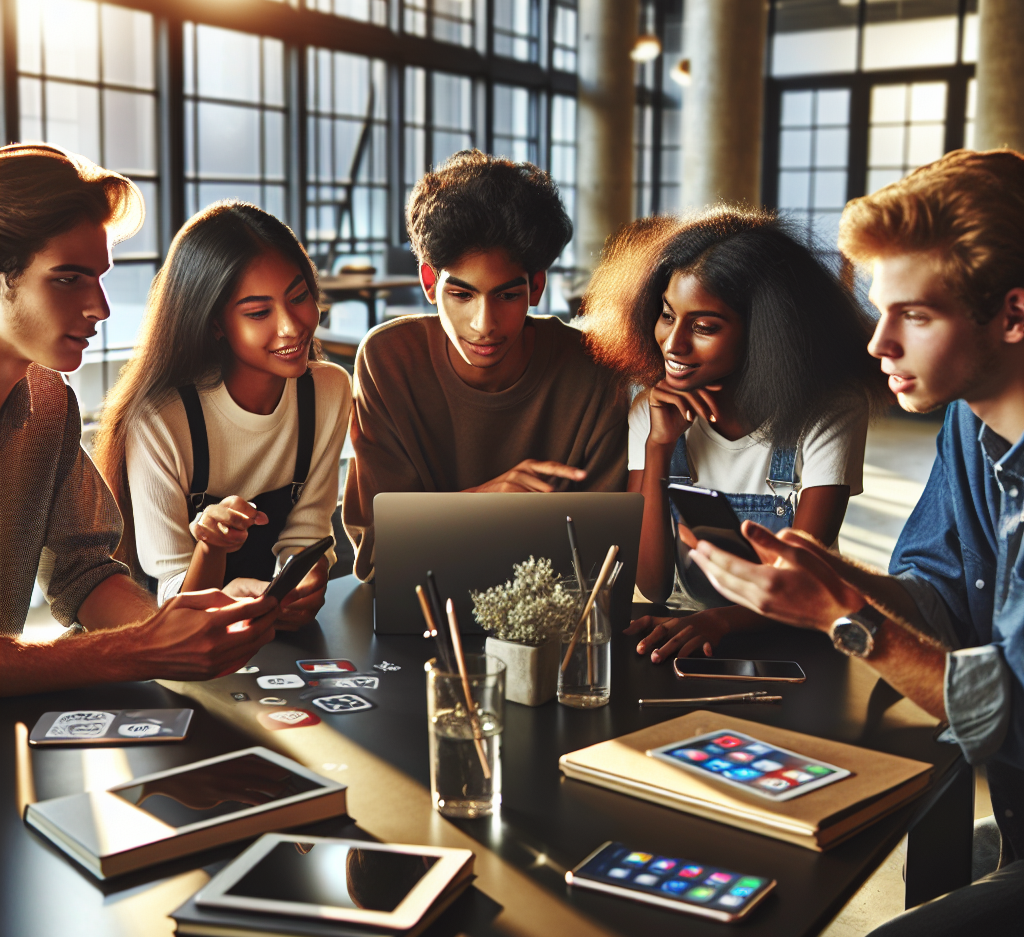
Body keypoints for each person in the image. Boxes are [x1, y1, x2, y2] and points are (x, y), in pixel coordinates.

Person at [686, 150, 1024, 937]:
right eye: (879, 311)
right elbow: (940, 594)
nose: (878, 344)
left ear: (1013, 315)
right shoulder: (972, 426)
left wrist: (847, 620)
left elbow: (1013, 717)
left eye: (915, 315)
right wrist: (833, 576)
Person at [0, 144, 276, 697]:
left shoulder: (50, 401)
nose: (100, 306)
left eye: (99, 278)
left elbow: (85, 572)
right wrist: (137, 650)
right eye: (68, 278)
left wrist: (175, 630)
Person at [581, 210, 885, 663]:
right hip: (682, 630)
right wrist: (659, 448)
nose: (673, 343)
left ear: (765, 333)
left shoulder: (831, 410)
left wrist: (720, 620)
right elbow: (653, 586)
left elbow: (803, 578)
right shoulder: (650, 410)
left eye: (704, 327)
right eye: (667, 315)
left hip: (792, 635)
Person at [342, 149, 629, 581]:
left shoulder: (595, 369)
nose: (484, 325)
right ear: (428, 283)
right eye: (461, 295)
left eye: (507, 296)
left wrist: (440, 523)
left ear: (535, 287)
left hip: (557, 625)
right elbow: (378, 557)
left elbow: (604, 565)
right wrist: (482, 501)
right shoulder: (389, 360)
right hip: (423, 616)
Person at [94, 202, 351, 629]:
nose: (291, 326)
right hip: (163, 642)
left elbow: (308, 533)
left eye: (299, 296)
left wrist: (306, 581)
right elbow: (173, 595)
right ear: (215, 322)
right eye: (258, 312)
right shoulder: (161, 419)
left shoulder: (328, 390)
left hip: (273, 634)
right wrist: (211, 548)